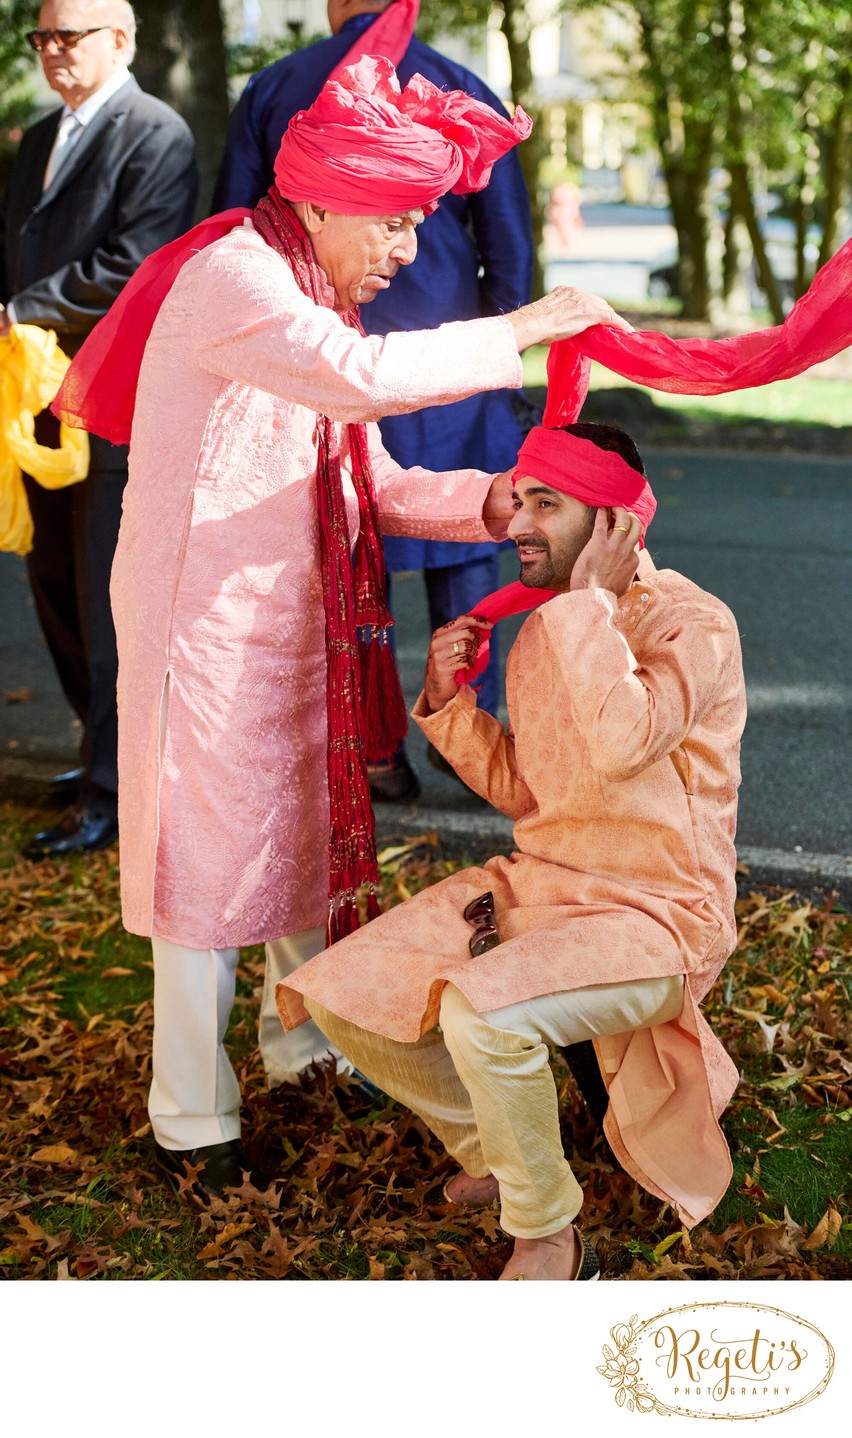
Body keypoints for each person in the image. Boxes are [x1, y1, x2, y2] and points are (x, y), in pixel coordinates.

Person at [54, 55, 630, 1197]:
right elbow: (356, 377)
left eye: (424, 223)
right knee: (201, 874)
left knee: (297, 840)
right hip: (202, 620)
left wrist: (489, 500)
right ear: (322, 199)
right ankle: (192, 1124)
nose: (411, 250)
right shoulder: (236, 275)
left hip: (292, 613)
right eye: (399, 222)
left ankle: (303, 1046)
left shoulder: (305, 289)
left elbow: (365, 472)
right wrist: (524, 322)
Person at [277, 420, 747, 1280]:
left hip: (661, 913)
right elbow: (535, 794)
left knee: (479, 1014)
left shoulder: (694, 624)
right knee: (338, 990)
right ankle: (497, 1150)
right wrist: (447, 701)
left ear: (614, 525)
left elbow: (619, 740)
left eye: (545, 502)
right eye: (519, 500)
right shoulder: (547, 632)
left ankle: (549, 1233)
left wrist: (584, 607)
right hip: (544, 885)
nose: (517, 523)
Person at [213, 0, 535, 800]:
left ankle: (373, 749)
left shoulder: (277, 85)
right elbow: (510, 243)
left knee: (348, 547)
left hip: (326, 349)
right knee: (466, 547)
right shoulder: (462, 89)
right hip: (450, 352)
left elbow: (232, 226)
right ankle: (470, 741)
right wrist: (502, 351)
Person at [0, 1, 198, 859]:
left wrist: (18, 311)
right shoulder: (40, 136)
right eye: (38, 37)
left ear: (119, 38)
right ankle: (97, 757)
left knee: (107, 593)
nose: (50, 51)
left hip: (115, 393)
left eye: (66, 36)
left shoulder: (159, 133)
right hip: (35, 390)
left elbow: (136, 263)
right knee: (50, 578)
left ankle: (118, 793)